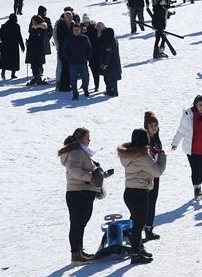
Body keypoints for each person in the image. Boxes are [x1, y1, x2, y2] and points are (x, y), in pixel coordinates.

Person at [58, 128, 113, 263]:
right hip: (79, 192)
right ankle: (76, 254)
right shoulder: (76, 152)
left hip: (82, 191)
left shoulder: (79, 152)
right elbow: (74, 170)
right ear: (80, 138)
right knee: (77, 223)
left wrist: (102, 175)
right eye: (87, 137)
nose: (89, 140)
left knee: (80, 223)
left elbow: (85, 171)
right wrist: (91, 178)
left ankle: (79, 251)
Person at [117, 129, 165, 264]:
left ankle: (138, 248)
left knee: (136, 222)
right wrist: (161, 156)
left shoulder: (128, 155)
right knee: (139, 224)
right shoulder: (143, 156)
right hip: (140, 192)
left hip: (129, 192)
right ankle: (135, 254)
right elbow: (157, 171)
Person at [171, 94, 202, 201]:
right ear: (195, 104)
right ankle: (197, 189)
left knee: (200, 169)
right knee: (194, 169)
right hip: (191, 148)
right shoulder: (188, 114)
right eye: (200, 105)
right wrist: (175, 143)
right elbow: (181, 130)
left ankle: (198, 187)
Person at [139, 112, 165, 241]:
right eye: (151, 124)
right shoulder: (143, 139)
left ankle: (149, 229)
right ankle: (136, 230)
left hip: (155, 174)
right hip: (145, 176)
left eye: (156, 124)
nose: (154, 127)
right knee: (143, 204)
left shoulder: (156, 139)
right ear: (146, 126)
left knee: (152, 202)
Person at [60, 22, 91, 98]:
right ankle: (75, 92)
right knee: (73, 79)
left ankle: (85, 89)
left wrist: (86, 57)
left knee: (86, 77)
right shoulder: (69, 39)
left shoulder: (85, 38)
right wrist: (69, 59)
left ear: (80, 30)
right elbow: (65, 50)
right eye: (74, 30)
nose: (76, 31)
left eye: (77, 30)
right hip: (72, 63)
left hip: (83, 62)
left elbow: (89, 49)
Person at [0, 14, 25, 80]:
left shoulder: (4, 25)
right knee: (14, 60)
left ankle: (3, 73)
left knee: (5, 60)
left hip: (5, 45)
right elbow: (19, 37)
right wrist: (22, 46)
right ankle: (13, 74)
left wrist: (4, 39)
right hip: (14, 46)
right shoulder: (17, 26)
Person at [25, 15, 49, 85]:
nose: (32, 22)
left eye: (33, 21)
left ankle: (37, 77)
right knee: (34, 64)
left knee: (36, 64)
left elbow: (38, 39)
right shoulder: (34, 28)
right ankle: (36, 77)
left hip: (37, 49)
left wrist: (30, 42)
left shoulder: (41, 29)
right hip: (34, 49)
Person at [98, 27, 121, 97]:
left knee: (111, 78)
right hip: (114, 63)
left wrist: (105, 63)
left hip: (111, 64)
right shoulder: (113, 40)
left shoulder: (109, 41)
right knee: (110, 78)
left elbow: (108, 53)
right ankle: (110, 90)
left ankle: (113, 91)